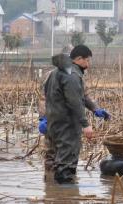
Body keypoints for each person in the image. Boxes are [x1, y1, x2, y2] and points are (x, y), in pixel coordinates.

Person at [44, 45, 110, 184]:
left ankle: (54, 195)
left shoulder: (57, 72)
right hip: (66, 123)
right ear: (79, 59)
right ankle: (67, 198)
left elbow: (81, 96)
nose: (88, 64)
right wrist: (85, 124)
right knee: (66, 159)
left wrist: (95, 108)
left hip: (54, 121)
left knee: (57, 157)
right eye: (87, 60)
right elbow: (74, 102)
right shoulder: (72, 75)